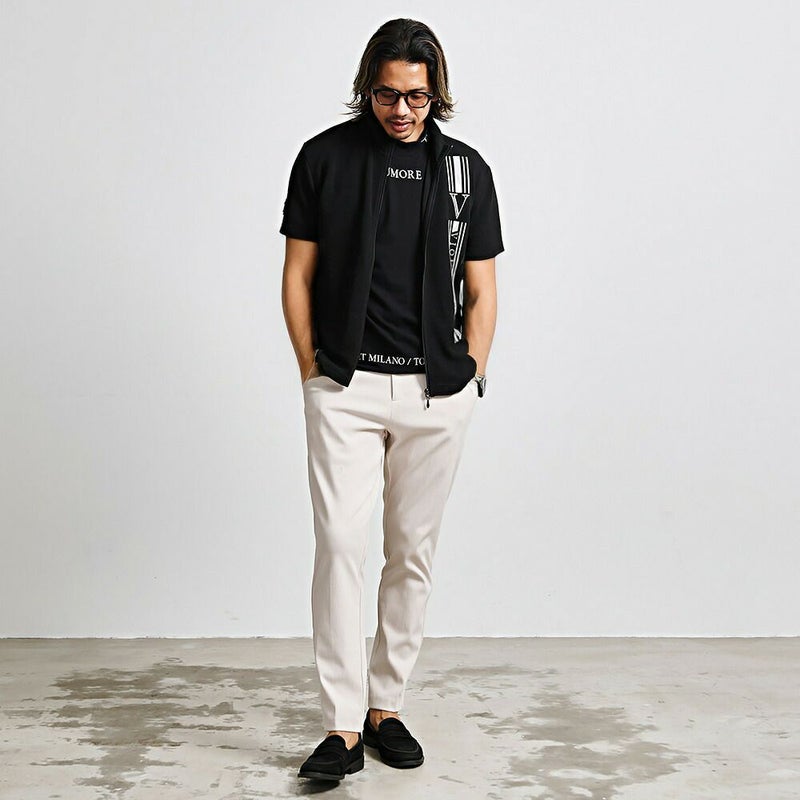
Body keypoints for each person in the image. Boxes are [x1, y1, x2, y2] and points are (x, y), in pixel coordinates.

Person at [280, 17, 504, 782]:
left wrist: (471, 375)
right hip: (345, 387)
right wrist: (313, 373)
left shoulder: (467, 171)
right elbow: (297, 276)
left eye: (416, 96)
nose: (402, 110)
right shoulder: (323, 159)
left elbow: (482, 288)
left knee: (411, 552)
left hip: (435, 395)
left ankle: (386, 707)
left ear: (436, 94)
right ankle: (342, 727)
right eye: (386, 94)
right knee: (341, 546)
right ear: (366, 89)